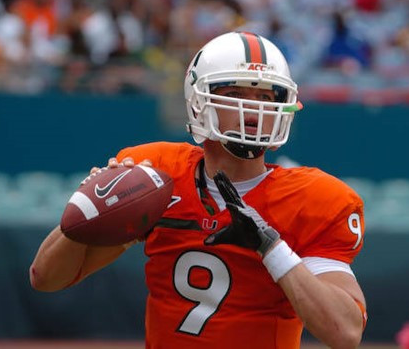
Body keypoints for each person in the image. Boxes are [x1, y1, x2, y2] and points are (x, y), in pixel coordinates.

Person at [30, 31, 367, 348]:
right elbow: (45, 278)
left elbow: (346, 332)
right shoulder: (157, 175)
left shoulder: (314, 198)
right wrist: (90, 209)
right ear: (198, 103)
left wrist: (272, 248)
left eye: (265, 96)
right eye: (235, 94)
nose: (253, 108)